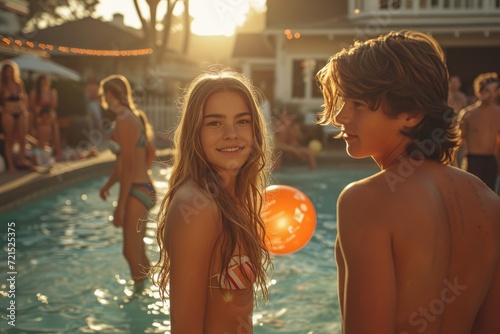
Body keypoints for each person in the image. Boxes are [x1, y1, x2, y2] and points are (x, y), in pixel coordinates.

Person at [316, 30, 500, 333]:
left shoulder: (365, 200)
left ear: (412, 113)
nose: (340, 117)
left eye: (358, 104)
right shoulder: (490, 203)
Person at [150, 70, 272, 332]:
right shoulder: (197, 206)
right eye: (215, 123)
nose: (231, 134)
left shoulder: (235, 199)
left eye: (242, 121)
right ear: (195, 132)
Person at [98, 74, 157, 291]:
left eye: (104, 94)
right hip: (145, 188)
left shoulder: (124, 121)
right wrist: (108, 185)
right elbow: (129, 162)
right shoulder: (134, 118)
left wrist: (120, 207)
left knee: (130, 252)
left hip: (136, 191)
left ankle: (140, 297)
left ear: (111, 95)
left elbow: (130, 168)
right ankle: (150, 290)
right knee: (138, 250)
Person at [457, 72, 500, 191]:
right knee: (470, 194)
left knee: (489, 197)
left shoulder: (498, 114)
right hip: (472, 161)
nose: (491, 94)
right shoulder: (468, 114)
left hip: (491, 162)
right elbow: (457, 141)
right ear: (479, 91)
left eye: (494, 90)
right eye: (487, 90)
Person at [0, 60, 30, 172]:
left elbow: (24, 98)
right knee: (9, 139)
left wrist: (25, 111)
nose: (9, 73)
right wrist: (2, 109)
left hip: (20, 112)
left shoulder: (18, 84)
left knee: (22, 138)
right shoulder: (2, 85)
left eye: (11, 71)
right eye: (7, 71)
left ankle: (21, 160)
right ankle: (11, 165)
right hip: (8, 113)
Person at [29, 74, 63, 159]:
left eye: (47, 81)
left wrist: (53, 96)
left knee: (53, 122)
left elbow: (53, 106)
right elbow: (32, 108)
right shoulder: (34, 93)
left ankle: (57, 149)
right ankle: (43, 151)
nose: (45, 83)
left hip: (48, 117)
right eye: (44, 81)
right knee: (47, 123)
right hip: (38, 117)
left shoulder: (51, 92)